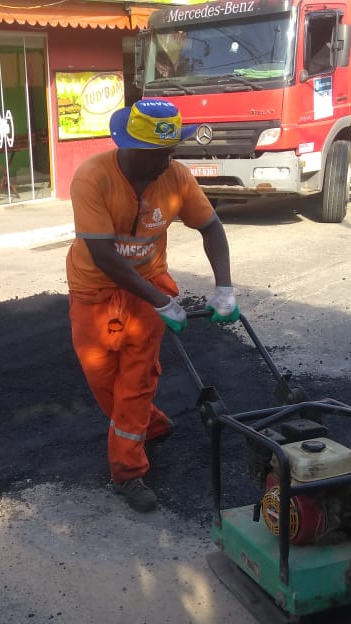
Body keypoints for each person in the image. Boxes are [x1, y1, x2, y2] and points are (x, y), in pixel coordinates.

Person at [65, 97, 238, 513]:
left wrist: (224, 288)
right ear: (131, 147)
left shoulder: (175, 177)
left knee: (136, 379)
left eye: (171, 151)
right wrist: (162, 302)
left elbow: (211, 227)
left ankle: (128, 472)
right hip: (94, 289)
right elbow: (105, 255)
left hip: (150, 283)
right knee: (103, 378)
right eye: (159, 154)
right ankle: (151, 425)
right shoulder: (92, 177)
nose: (167, 161)